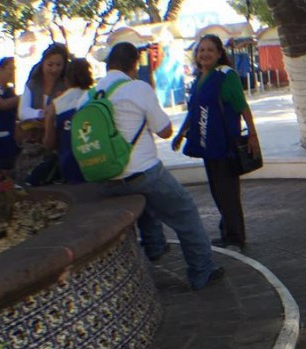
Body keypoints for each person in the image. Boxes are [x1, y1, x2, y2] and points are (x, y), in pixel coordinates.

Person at [89, 42, 222, 289]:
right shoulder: (137, 88)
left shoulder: (92, 94)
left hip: (106, 179)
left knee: (147, 202)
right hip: (143, 172)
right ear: (133, 64)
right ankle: (202, 271)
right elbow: (164, 130)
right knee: (185, 212)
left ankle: (154, 248)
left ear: (108, 65)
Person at [171, 34, 260, 252]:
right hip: (208, 146)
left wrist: (253, 136)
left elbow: (242, 106)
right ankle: (227, 232)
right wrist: (181, 133)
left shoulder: (225, 76)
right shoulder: (201, 77)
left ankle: (236, 238)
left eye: (210, 50)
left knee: (227, 192)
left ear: (219, 53)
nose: (205, 54)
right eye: (201, 50)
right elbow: (195, 111)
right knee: (218, 192)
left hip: (224, 145)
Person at [42, 58, 92, 184]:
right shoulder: (96, 98)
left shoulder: (57, 103)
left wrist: (49, 118)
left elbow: (49, 144)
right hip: (97, 161)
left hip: (70, 166)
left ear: (66, 79)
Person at [0, 57, 20, 172]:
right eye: (10, 69)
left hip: (10, 140)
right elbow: (2, 105)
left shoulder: (9, 91)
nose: (13, 73)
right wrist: (21, 98)